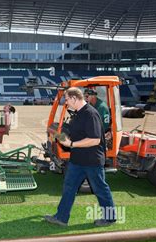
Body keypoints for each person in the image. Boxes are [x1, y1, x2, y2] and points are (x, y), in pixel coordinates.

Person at [44, 87, 116, 227]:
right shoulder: (78, 113)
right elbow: (74, 134)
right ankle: (61, 217)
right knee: (69, 187)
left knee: (100, 189)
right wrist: (58, 135)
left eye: (67, 100)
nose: (66, 103)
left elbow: (95, 140)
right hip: (77, 160)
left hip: (92, 161)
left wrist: (72, 143)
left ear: (74, 98)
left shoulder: (90, 114)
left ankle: (109, 218)